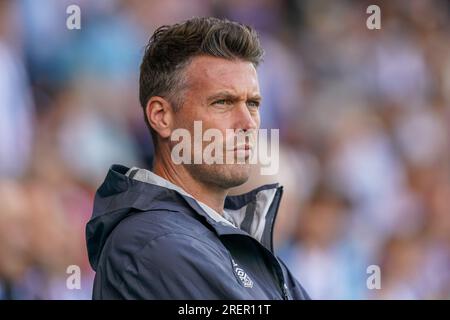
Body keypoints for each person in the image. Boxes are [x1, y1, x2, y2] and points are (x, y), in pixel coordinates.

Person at [86, 17, 309, 300]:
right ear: (161, 116)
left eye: (252, 103)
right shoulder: (153, 244)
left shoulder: (226, 239)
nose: (248, 123)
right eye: (223, 102)